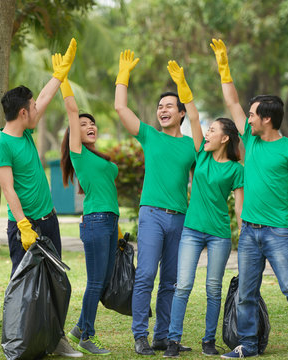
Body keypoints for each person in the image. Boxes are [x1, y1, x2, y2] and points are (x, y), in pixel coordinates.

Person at [210, 39, 288, 360]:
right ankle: (248, 346)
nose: (249, 119)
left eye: (254, 115)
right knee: (246, 293)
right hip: (249, 232)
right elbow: (231, 102)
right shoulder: (251, 143)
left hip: (277, 232)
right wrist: (224, 67)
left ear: (267, 119)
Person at [0, 39, 82, 358]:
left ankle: (56, 339)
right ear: (21, 112)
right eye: (31, 108)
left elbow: (42, 98)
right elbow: (8, 189)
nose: (36, 110)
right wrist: (23, 225)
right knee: (26, 290)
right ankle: (23, 342)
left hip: (49, 220)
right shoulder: (1, 145)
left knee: (56, 284)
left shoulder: (26, 131)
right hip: (25, 227)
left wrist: (59, 75)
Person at [114, 50, 196, 356]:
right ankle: (140, 336)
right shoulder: (149, 135)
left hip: (180, 219)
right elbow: (120, 107)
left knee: (171, 281)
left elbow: (205, 172)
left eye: (169, 106)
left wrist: (185, 88)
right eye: (159, 106)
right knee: (146, 275)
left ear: (181, 113)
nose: (162, 110)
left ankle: (162, 336)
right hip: (151, 215)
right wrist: (123, 75)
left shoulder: (190, 146)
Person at [162, 60, 244, 358]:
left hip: (220, 234)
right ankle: (173, 340)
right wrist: (184, 88)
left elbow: (238, 204)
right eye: (206, 131)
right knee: (182, 285)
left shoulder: (236, 170)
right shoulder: (202, 156)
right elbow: (194, 118)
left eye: (212, 131)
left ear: (225, 138)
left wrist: (244, 231)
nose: (206, 134)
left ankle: (208, 341)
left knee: (213, 289)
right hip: (192, 231)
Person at [54, 52, 120, 356]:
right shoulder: (78, 153)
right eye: (83, 124)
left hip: (110, 222)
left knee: (104, 281)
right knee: (95, 282)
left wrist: (117, 227)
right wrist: (63, 78)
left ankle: (79, 328)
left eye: (92, 123)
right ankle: (86, 336)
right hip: (95, 221)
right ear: (75, 133)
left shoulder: (99, 157)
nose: (90, 125)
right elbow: (71, 108)